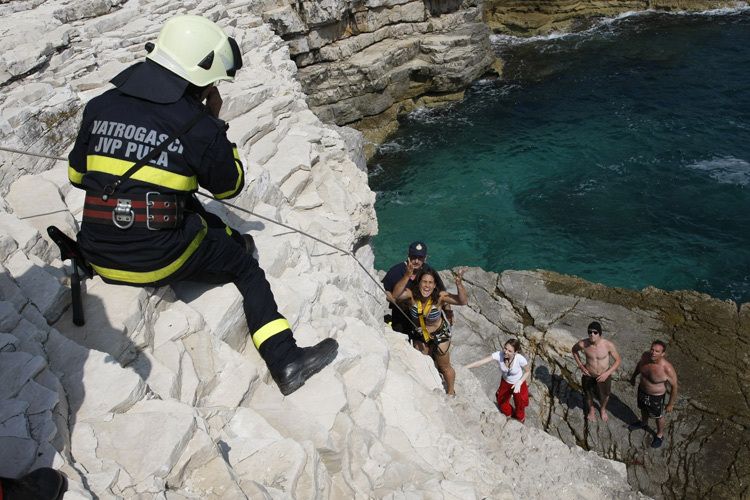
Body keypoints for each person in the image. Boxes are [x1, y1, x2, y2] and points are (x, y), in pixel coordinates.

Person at [67, 14, 337, 396]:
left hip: (96, 250)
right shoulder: (197, 124)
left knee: (200, 219)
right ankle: (286, 359)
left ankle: (229, 247)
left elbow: (77, 177)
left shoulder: (99, 105)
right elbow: (230, 186)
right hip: (155, 259)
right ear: (200, 73)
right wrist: (213, 122)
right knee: (246, 267)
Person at [391, 264, 466, 394]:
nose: (427, 286)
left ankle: (451, 391)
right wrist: (407, 276)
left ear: (435, 285)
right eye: (424, 282)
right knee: (422, 364)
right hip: (420, 333)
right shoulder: (411, 295)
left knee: (444, 366)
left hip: (439, 333)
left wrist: (459, 284)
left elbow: (462, 301)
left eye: (431, 282)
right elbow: (395, 295)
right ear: (418, 282)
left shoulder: (440, 297)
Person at [382, 241, 450, 339]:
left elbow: (442, 292)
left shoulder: (429, 271)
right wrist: (390, 298)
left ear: (425, 258)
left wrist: (448, 312)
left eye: (420, 258)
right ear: (408, 256)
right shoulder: (395, 271)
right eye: (414, 257)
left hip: (425, 316)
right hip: (401, 315)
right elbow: (385, 289)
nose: (416, 261)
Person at [466, 338, 531, 423]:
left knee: (520, 404)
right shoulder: (499, 355)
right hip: (505, 382)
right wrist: (464, 367)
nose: (506, 352)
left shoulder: (520, 359)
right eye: (505, 348)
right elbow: (480, 362)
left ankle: (520, 420)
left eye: (510, 351)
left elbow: (528, 371)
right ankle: (509, 415)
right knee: (501, 401)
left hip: (518, 383)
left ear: (515, 352)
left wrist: (520, 382)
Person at [628, 340, 679, 448]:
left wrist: (671, 404)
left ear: (662, 354)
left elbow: (674, 386)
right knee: (643, 408)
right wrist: (633, 376)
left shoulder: (667, 368)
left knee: (658, 416)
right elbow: (639, 365)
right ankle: (643, 423)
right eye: (652, 349)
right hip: (642, 390)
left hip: (656, 396)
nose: (653, 353)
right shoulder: (645, 357)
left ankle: (660, 435)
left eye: (657, 351)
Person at [571, 321, 622, 422]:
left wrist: (607, 373)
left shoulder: (608, 345)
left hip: (604, 375)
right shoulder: (583, 344)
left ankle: (602, 409)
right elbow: (574, 350)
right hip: (589, 374)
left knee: (605, 395)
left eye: (595, 332)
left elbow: (618, 360)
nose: (592, 334)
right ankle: (592, 410)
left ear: (600, 333)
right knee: (588, 394)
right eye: (590, 332)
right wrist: (581, 365)